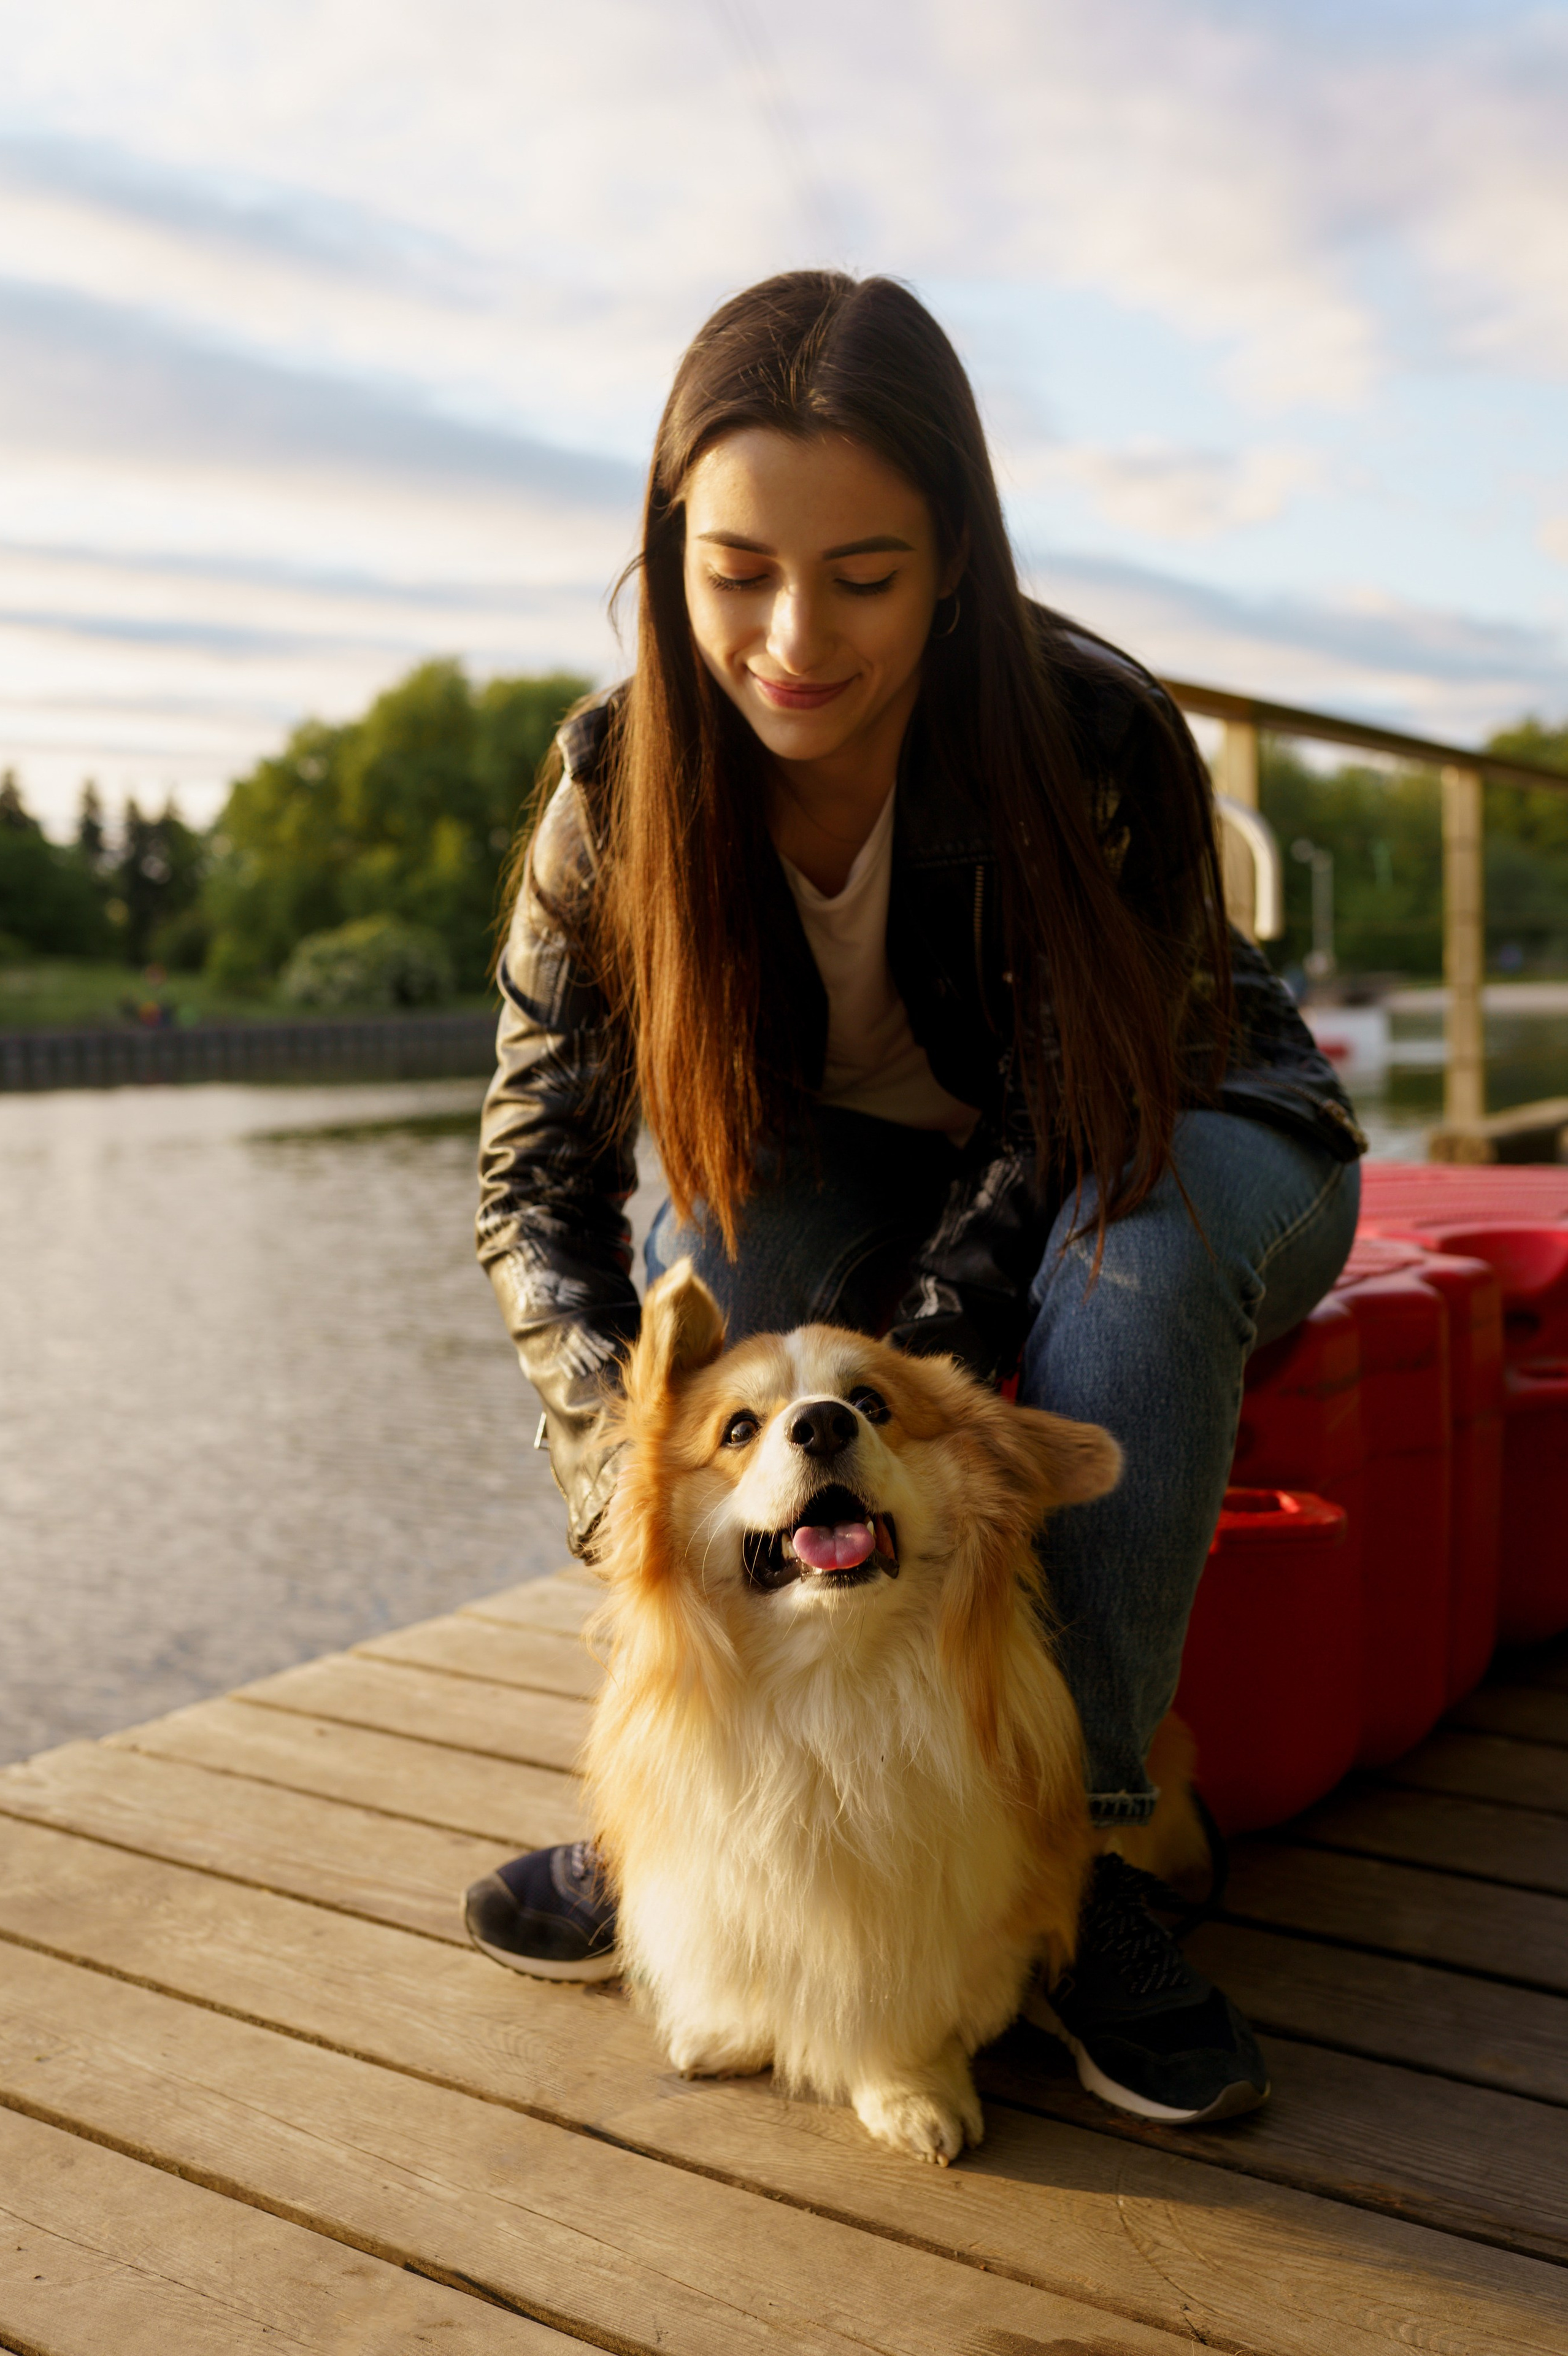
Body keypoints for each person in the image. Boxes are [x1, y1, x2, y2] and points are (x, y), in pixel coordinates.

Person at [464, 271, 1364, 2127]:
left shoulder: (1087, 737)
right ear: (669, 546)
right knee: (711, 1277)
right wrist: (630, 1491)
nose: (795, 637)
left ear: (956, 557)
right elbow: (534, 1179)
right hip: (867, 1165)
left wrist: (934, 1366)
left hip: (1181, 1130)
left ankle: (1090, 1853)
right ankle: (683, 1823)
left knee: (1127, 1280)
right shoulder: (613, 789)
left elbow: (1072, 1117)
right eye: (736, 573)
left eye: (864, 576)